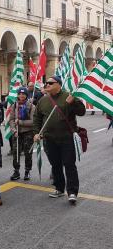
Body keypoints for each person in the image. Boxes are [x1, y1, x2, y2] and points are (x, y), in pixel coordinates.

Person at [33, 75, 86, 204]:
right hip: (49, 139)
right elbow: (37, 118)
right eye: (46, 83)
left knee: (69, 165)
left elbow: (82, 112)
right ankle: (59, 188)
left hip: (66, 138)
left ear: (59, 84)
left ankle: (72, 192)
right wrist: (36, 133)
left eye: (50, 83)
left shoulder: (69, 96)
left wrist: (74, 102)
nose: (47, 85)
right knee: (55, 165)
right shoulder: (43, 100)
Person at [8, 87, 35, 181]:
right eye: (20, 94)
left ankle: (27, 171)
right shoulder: (14, 105)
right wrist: (14, 130)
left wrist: (21, 122)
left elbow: (33, 122)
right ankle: (16, 171)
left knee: (28, 153)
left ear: (26, 95)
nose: (21, 96)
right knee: (16, 152)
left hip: (28, 132)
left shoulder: (31, 106)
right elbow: (11, 119)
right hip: (17, 132)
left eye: (23, 94)